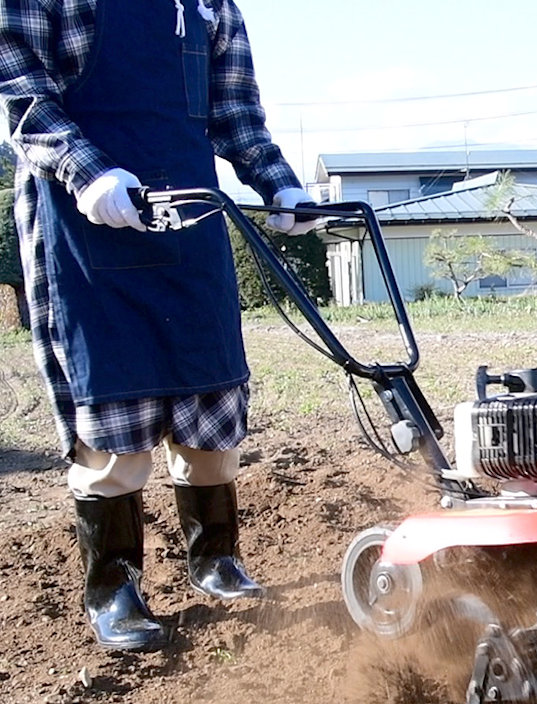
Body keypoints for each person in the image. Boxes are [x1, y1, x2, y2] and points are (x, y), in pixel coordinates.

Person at [0, 0, 315, 652]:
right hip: (84, 224)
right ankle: (114, 585)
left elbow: (236, 117)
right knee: (113, 409)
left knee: (212, 395)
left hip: (190, 222)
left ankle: (215, 558)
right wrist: (90, 173)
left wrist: (281, 187)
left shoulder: (205, 4)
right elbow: (19, 92)